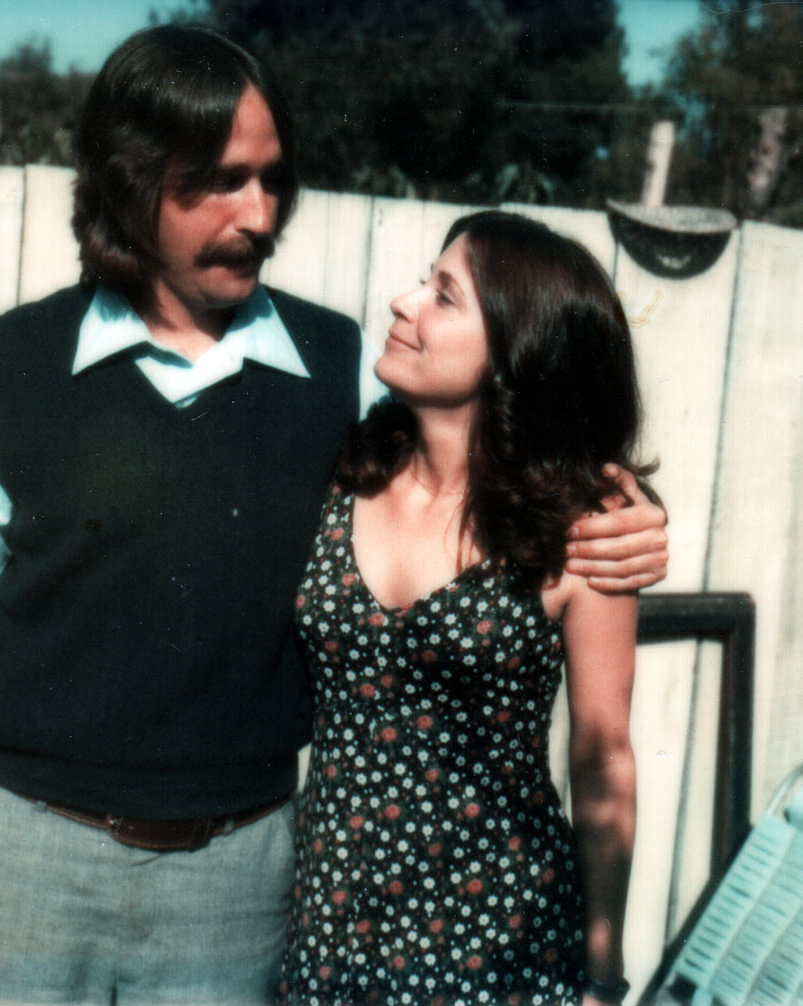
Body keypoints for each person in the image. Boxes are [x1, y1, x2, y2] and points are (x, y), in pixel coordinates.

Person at [0, 27, 668, 1006]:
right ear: (131, 184)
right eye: (221, 181)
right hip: (27, 859)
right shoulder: (11, 366)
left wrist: (629, 512)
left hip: (239, 886)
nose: (259, 216)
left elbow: (504, 440)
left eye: (273, 180)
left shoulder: (339, 375)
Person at [278, 211, 649, 1006]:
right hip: (332, 932)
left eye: (443, 296)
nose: (403, 302)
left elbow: (603, 760)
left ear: (517, 351)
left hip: (502, 947)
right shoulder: (345, 473)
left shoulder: (585, 530)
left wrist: (601, 976)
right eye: (424, 281)